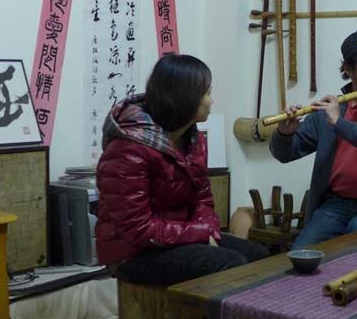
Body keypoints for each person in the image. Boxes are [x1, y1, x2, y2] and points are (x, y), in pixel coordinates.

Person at [95, 54, 269, 286]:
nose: (212, 101)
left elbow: (203, 199)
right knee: (231, 264)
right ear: (185, 97)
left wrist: (206, 229)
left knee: (259, 256)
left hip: (177, 238)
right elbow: (136, 228)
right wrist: (199, 233)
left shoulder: (194, 140)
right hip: (131, 251)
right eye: (207, 93)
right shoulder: (128, 148)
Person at [270, 30, 357, 249]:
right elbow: (284, 155)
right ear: (348, 68)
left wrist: (340, 124)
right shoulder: (329, 111)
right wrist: (285, 133)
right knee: (300, 252)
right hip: (335, 205)